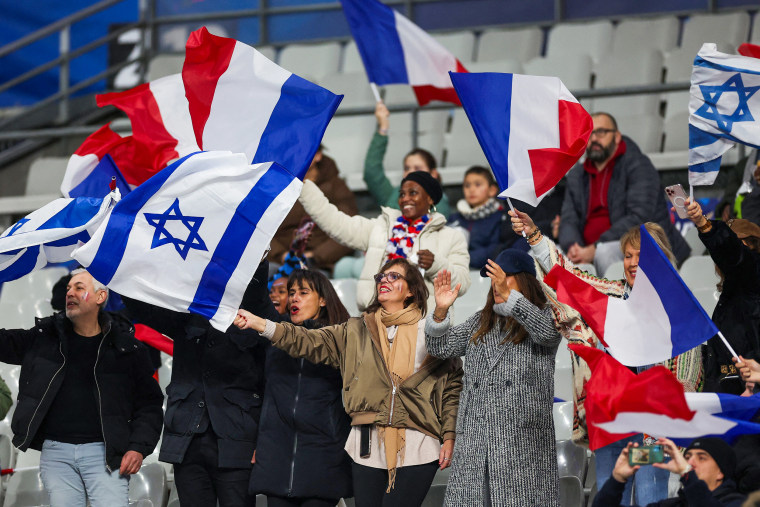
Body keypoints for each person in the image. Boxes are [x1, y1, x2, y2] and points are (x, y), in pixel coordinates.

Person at [234, 258, 463, 507]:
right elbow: (305, 339)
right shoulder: (356, 330)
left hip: (418, 442)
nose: (384, 280)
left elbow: (452, 385)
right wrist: (260, 324)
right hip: (366, 445)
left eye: (394, 276)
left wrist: (449, 434)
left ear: (411, 291)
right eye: (381, 277)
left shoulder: (431, 332)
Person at [511, 209, 702, 505]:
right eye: (628, 255)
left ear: (662, 258)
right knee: (611, 495)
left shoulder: (678, 309)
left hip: (652, 427)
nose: (633, 263)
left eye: (641, 255)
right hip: (611, 423)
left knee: (651, 496)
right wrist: (534, 235)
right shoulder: (610, 296)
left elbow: (686, 377)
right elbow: (566, 277)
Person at [0, 269, 163, 506]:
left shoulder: (127, 349)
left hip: (106, 454)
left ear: (101, 297)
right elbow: (5, 343)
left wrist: (138, 447)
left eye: (79, 288)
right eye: (68, 288)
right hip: (56, 454)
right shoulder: (45, 337)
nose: (70, 293)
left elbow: (149, 405)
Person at [123, 261, 274, 507]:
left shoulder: (254, 313)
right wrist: (118, 266)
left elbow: (270, 385)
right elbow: (142, 307)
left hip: (237, 440)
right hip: (188, 440)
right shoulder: (185, 314)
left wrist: (260, 256)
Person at [425, 249, 561, 506]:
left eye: (504, 276)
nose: (496, 283)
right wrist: (441, 312)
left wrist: (512, 299)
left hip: (521, 450)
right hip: (475, 446)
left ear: (524, 280)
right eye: (492, 277)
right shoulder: (481, 321)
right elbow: (440, 347)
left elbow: (548, 334)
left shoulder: (545, 315)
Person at [298, 169, 470, 311]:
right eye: (402, 194)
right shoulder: (380, 227)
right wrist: (303, 186)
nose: (405, 199)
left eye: (413, 193)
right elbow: (336, 222)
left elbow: (461, 285)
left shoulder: (451, 236)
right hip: (376, 319)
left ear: (430, 199)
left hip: (423, 327)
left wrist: (436, 265)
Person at [252, 269, 353, 506]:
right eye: (292, 292)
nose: (294, 298)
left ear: (323, 299)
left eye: (304, 292)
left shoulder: (343, 339)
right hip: (275, 457)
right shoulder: (273, 338)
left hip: (323, 456)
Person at [559, 112, 690, 275]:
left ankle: (617, 299)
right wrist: (574, 248)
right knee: (551, 255)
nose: (594, 139)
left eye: (601, 132)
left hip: (642, 244)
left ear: (617, 137)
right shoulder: (577, 175)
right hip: (587, 248)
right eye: (589, 134)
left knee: (604, 252)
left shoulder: (638, 166)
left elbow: (639, 217)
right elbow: (568, 219)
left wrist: (596, 246)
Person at [683, 199, 760, 394]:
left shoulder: (752, 276)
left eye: (741, 243)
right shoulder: (730, 296)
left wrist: (703, 223)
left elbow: (736, 256)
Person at [268, 147, 358, 274]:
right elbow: (260, 228)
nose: (297, 158)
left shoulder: (335, 186)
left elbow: (350, 229)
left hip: (321, 263)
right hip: (278, 261)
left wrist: (314, 256)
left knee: (314, 282)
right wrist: (281, 255)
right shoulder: (275, 186)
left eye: (303, 152)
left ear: (318, 156)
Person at [593, 438, 746, 507]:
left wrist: (687, 473)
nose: (690, 462)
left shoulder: (740, 502)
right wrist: (617, 479)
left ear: (720, 472)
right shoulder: (672, 504)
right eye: (687, 457)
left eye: (702, 458)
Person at [364, 102, 451, 218]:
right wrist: (383, 128)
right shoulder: (394, 195)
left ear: (433, 174)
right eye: (407, 168)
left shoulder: (438, 202)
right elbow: (372, 173)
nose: (411, 172)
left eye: (418, 168)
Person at [447, 166, 509, 269]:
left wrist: (463, 258)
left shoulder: (499, 217)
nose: (471, 189)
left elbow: (495, 249)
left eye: (478, 184)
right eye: (467, 185)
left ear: (492, 190)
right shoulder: (455, 218)